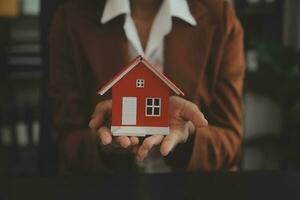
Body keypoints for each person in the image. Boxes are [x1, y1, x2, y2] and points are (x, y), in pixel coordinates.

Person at [48, 0, 245, 175]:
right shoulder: (71, 18)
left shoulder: (219, 15)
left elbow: (230, 140)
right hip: (104, 187)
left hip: (195, 186)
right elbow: (66, 141)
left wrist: (190, 137)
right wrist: (102, 145)